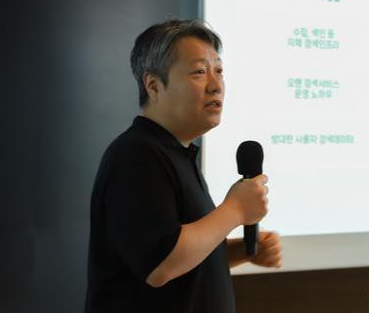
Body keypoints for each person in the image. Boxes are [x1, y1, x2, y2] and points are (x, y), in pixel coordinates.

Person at [85, 19, 282, 312]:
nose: (216, 85)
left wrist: (241, 251)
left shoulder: (177, 152)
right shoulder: (136, 154)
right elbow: (160, 263)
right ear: (153, 85)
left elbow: (178, 255)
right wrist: (235, 209)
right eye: (200, 72)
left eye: (219, 71)